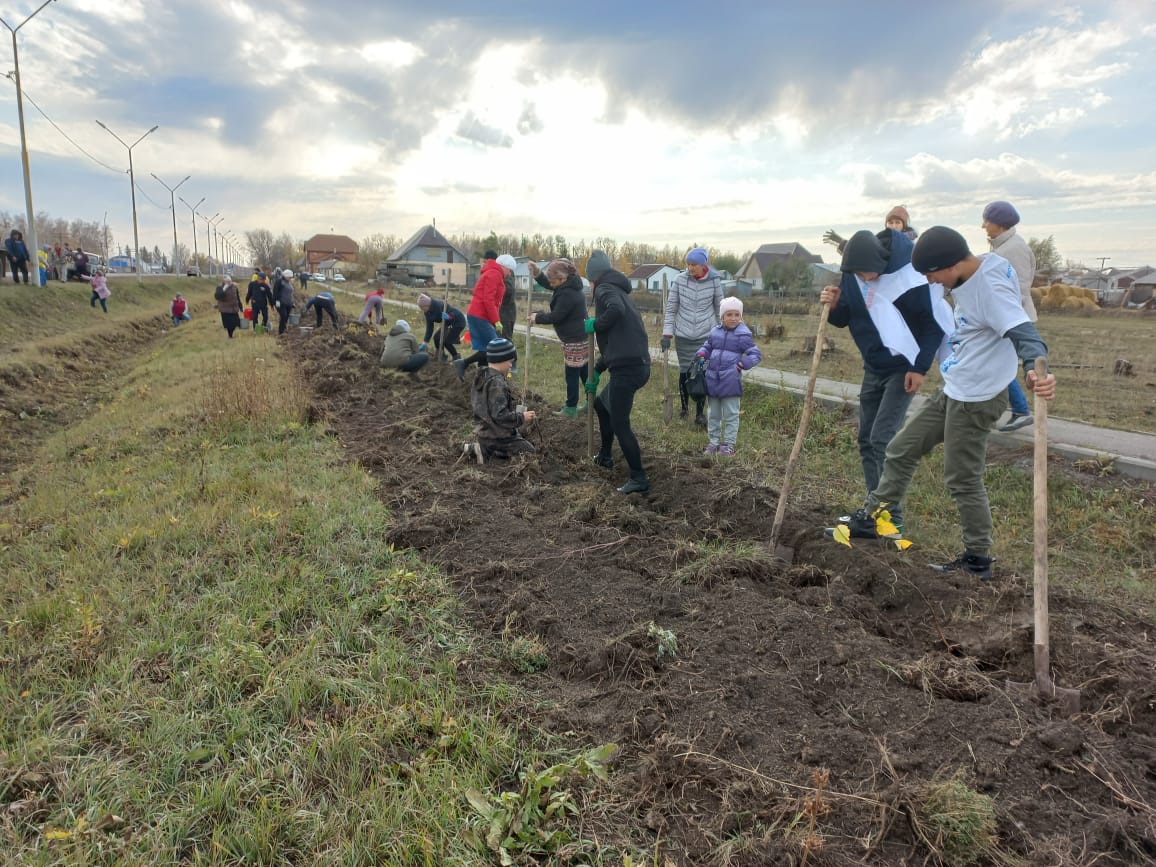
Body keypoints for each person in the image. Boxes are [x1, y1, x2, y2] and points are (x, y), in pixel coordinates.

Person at [831, 226, 1055, 580]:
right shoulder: (984, 265)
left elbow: (1025, 333)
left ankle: (977, 559)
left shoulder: (991, 291)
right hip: (954, 388)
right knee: (900, 450)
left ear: (951, 264)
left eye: (932, 274)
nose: (931, 282)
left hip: (979, 398)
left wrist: (1034, 369)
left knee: (962, 478)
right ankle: (875, 519)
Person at [820, 228, 948, 508]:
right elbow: (845, 318)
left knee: (883, 440)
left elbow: (932, 326)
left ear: (880, 262)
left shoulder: (908, 278)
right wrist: (835, 306)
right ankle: (873, 506)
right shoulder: (853, 276)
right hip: (873, 366)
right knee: (866, 440)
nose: (865, 279)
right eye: (858, 274)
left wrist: (919, 368)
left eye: (868, 272)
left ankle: (890, 514)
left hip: (904, 368)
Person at [586, 249, 651, 494]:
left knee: (620, 422)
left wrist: (596, 324)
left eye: (589, 280)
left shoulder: (605, 290)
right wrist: (598, 369)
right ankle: (605, 456)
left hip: (629, 369)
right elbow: (620, 343)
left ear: (593, 278)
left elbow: (615, 312)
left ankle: (638, 478)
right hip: (634, 364)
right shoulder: (619, 290)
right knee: (602, 406)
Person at [982, 201, 1038, 432]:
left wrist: (1004, 315)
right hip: (1004, 318)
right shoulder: (1003, 246)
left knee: (998, 366)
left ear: (1000, 223)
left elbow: (1020, 287)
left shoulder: (1014, 249)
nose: (983, 225)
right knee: (994, 365)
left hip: (1011, 320)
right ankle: (1001, 411)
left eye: (987, 220)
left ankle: (1021, 410)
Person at [662, 247, 722, 425]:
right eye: (688, 264)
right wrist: (667, 333)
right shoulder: (679, 280)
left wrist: (721, 333)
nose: (690, 268)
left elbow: (720, 308)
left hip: (705, 334)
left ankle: (699, 413)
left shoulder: (714, 281)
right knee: (685, 371)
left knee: (702, 373)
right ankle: (684, 408)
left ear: (703, 265)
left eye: (693, 264)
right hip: (683, 335)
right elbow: (671, 308)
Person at [695, 296, 762, 456]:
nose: (733, 318)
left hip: (731, 381)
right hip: (712, 379)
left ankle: (729, 445)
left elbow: (755, 354)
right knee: (713, 414)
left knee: (731, 414)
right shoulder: (715, 332)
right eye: (729, 315)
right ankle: (713, 442)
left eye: (736, 315)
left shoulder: (743, 335)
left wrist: (743, 364)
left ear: (741, 316)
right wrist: (702, 354)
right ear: (722, 316)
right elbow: (708, 346)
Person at [528, 257, 589, 418]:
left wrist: (537, 317)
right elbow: (550, 283)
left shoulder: (568, 294)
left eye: (554, 281)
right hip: (582, 336)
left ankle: (571, 407)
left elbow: (557, 316)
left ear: (562, 279)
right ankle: (592, 401)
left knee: (573, 374)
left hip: (575, 340)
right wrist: (537, 273)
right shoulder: (569, 284)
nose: (551, 284)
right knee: (583, 370)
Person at [466, 337, 536, 462]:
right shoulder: (496, 383)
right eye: (509, 361)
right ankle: (484, 451)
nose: (510, 365)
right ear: (500, 360)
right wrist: (521, 417)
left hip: (484, 432)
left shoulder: (482, 375)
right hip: (499, 436)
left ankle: (481, 448)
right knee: (530, 452)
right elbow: (500, 415)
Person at [453, 252, 512, 381]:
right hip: (480, 315)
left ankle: (482, 376)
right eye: (510, 270)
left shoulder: (493, 273)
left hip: (480, 315)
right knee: (494, 348)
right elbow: (488, 300)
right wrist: (496, 320)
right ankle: (464, 363)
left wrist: (494, 320)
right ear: (505, 267)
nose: (510, 274)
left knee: (485, 348)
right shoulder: (494, 274)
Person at [824, 205, 919, 253]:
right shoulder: (880, 242)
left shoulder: (909, 246)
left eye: (897, 222)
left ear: (904, 226)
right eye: (890, 222)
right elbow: (866, 254)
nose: (893, 226)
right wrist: (843, 243)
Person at [417, 292, 466, 360]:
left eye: (422, 307)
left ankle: (456, 357)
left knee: (447, 342)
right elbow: (429, 327)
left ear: (427, 305)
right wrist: (425, 342)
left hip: (457, 321)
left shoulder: (439, 305)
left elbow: (454, 313)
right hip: (448, 323)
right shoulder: (427, 312)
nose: (421, 309)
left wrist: (449, 316)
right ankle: (441, 355)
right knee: (436, 338)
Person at [216, 273, 244, 337]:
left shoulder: (234, 287)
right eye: (227, 281)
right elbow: (218, 296)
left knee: (236, 323)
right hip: (225, 309)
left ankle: (232, 333)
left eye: (229, 281)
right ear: (224, 281)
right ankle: (230, 335)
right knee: (229, 324)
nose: (228, 282)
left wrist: (240, 306)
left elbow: (237, 297)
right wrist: (224, 288)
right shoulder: (220, 287)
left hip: (234, 308)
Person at [272, 269, 296, 335]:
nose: (290, 278)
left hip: (289, 303)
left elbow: (290, 294)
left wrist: (292, 303)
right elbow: (275, 292)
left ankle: (284, 329)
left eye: (291, 277)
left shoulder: (289, 283)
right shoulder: (279, 281)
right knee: (283, 316)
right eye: (289, 277)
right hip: (281, 303)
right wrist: (275, 301)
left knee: (286, 317)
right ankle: (281, 332)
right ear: (285, 276)